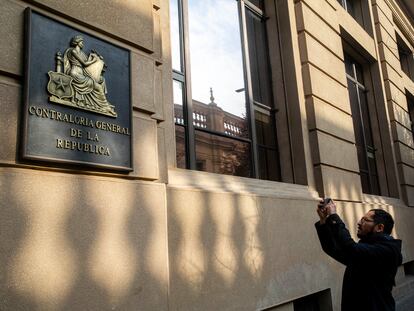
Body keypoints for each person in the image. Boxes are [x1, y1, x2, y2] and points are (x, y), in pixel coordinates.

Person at [315, 199, 402, 311]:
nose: (359, 223)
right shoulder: (366, 248)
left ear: (379, 228)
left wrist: (333, 216)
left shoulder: (387, 250)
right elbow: (333, 249)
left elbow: (350, 247)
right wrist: (323, 221)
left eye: (365, 220)